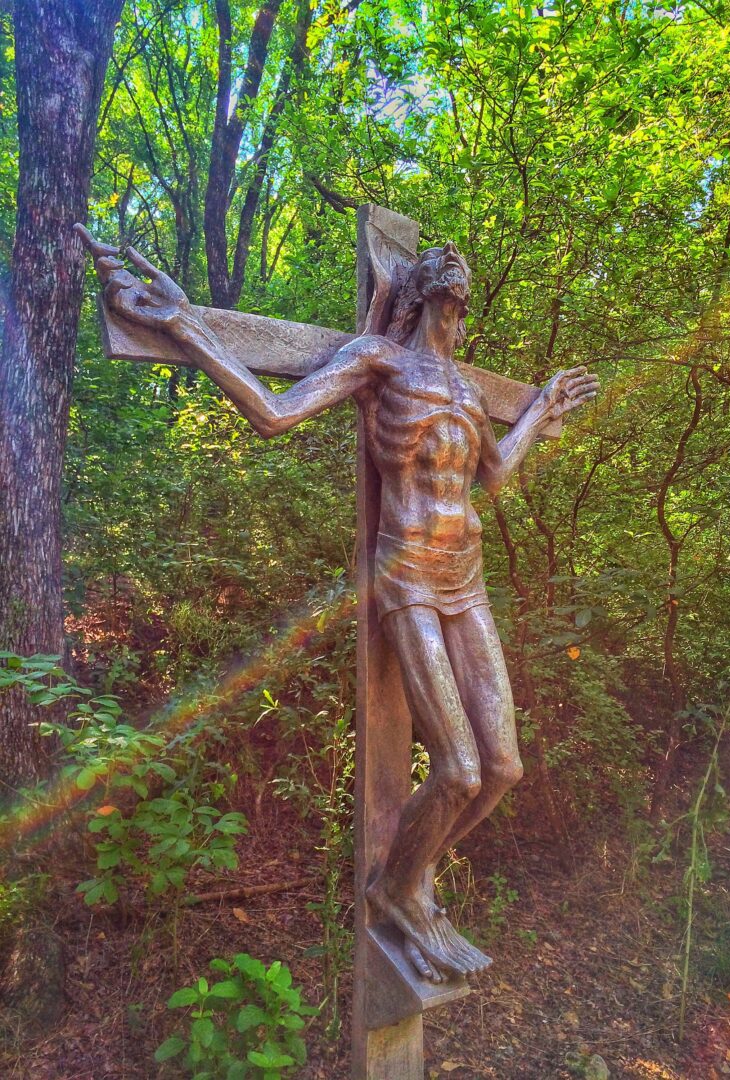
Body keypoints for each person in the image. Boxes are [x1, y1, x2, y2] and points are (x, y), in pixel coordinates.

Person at [76, 225, 598, 981]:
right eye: (446, 296)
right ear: (418, 298)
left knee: (505, 768)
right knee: (457, 769)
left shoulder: (465, 390)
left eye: (462, 299)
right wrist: (188, 326)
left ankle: (406, 880)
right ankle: (399, 894)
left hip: (468, 572)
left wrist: (542, 408)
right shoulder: (376, 361)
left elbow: (495, 476)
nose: (455, 311)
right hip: (409, 572)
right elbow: (274, 413)